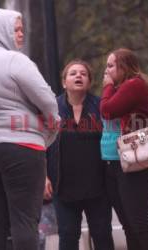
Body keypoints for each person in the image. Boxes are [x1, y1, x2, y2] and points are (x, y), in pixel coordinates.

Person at [0, 9, 60, 250]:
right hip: (21, 149)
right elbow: (48, 100)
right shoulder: (14, 60)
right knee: (24, 220)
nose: (21, 35)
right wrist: (52, 125)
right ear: (1, 31)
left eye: (21, 29)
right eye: (15, 29)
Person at [46, 59, 114, 250]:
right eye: (73, 73)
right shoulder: (52, 108)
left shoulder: (101, 106)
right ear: (64, 82)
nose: (78, 76)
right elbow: (41, 144)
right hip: (63, 186)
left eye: (83, 74)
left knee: (102, 236)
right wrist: (43, 176)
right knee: (67, 237)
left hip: (98, 187)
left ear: (89, 82)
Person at [100, 48, 148, 250]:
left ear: (123, 67)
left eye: (110, 66)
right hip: (121, 160)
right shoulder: (127, 86)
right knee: (130, 225)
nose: (106, 71)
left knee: (139, 223)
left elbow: (107, 111)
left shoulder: (133, 85)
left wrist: (107, 87)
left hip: (136, 160)